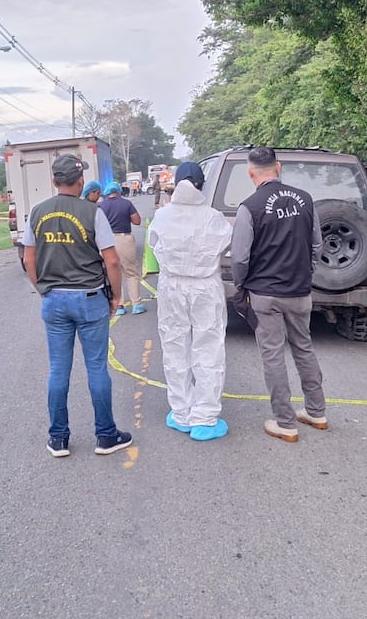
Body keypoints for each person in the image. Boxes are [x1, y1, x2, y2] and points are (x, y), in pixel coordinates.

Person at [22, 155, 134, 459]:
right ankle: (106, 435)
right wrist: (116, 297)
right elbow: (112, 260)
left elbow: (29, 258)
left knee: (58, 369)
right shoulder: (92, 212)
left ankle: (58, 438)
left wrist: (42, 289)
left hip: (54, 299)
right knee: (96, 367)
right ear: (81, 182)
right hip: (89, 298)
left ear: (53, 181)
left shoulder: (37, 212)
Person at [231, 146, 328, 442]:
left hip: (265, 293)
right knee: (304, 347)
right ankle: (316, 411)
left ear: (250, 172)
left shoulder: (249, 207)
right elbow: (317, 246)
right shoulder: (306, 199)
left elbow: (240, 257)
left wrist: (241, 285)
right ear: (279, 166)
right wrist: (306, 272)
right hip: (299, 290)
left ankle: (285, 422)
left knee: (273, 355)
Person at [147, 161, 232, 441]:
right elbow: (225, 245)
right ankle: (205, 417)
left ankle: (181, 412)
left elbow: (153, 244)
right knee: (209, 348)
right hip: (205, 286)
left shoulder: (162, 216)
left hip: (172, 285)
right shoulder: (213, 217)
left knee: (174, 346)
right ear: (201, 186)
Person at [98, 181, 145, 315]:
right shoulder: (126, 204)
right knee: (131, 272)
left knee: (113, 273)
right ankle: (136, 304)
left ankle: (119, 305)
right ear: (118, 191)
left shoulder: (101, 206)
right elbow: (137, 221)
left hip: (107, 242)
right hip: (125, 239)